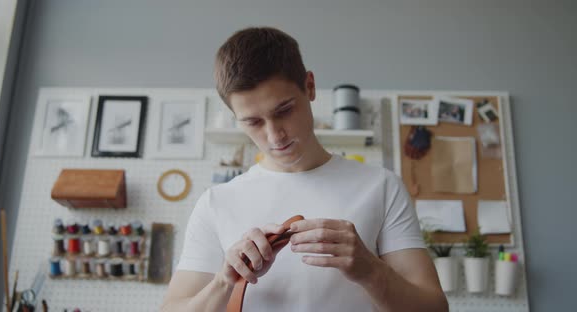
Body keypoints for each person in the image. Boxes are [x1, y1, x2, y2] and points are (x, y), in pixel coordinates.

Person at [161, 27, 448, 312]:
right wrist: (224, 282)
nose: (275, 136)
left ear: (309, 86)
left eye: (284, 110)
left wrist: (370, 271)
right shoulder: (215, 203)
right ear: (236, 119)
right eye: (253, 122)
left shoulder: (382, 187)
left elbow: (435, 309)